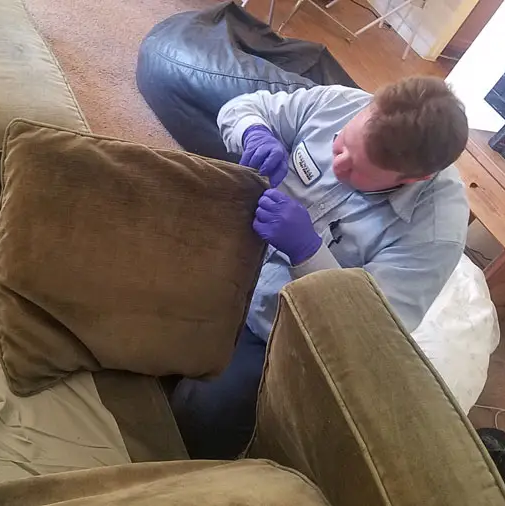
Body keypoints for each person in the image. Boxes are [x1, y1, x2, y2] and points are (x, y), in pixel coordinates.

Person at [171, 76, 470, 459]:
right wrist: (255, 134)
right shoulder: (339, 103)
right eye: (342, 144)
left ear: (414, 179)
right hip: (224, 256)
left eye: (357, 169)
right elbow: (242, 107)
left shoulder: (434, 235)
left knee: (199, 418)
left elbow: (367, 327)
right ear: (366, 109)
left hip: (273, 329)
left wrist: (307, 253)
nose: (338, 162)